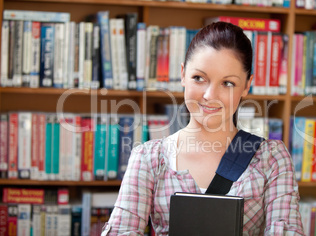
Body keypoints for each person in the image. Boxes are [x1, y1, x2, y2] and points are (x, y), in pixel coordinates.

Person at [102, 22, 304, 236]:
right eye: (199, 78)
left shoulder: (271, 158)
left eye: (227, 83)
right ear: (182, 74)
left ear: (247, 85)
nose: (209, 95)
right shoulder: (149, 158)